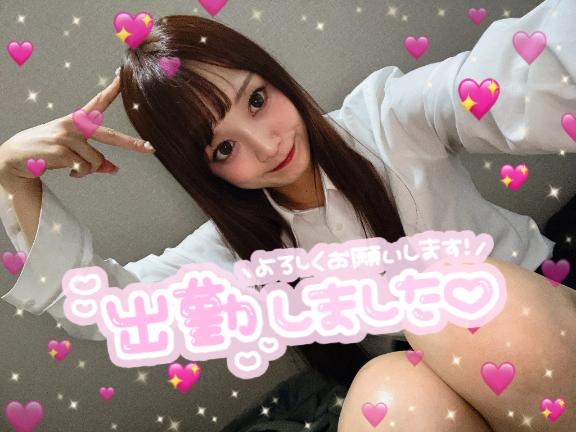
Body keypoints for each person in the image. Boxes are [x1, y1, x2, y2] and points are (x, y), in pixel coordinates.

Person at [0, 0, 574, 428]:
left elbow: (526, 74)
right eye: (224, 148)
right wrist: (13, 178)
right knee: (385, 396)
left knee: (446, 299)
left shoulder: (387, 120)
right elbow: (111, 310)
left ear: (272, 74)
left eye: (256, 100)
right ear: (205, 172)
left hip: (534, 322)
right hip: (436, 383)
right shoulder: (235, 249)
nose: (267, 144)